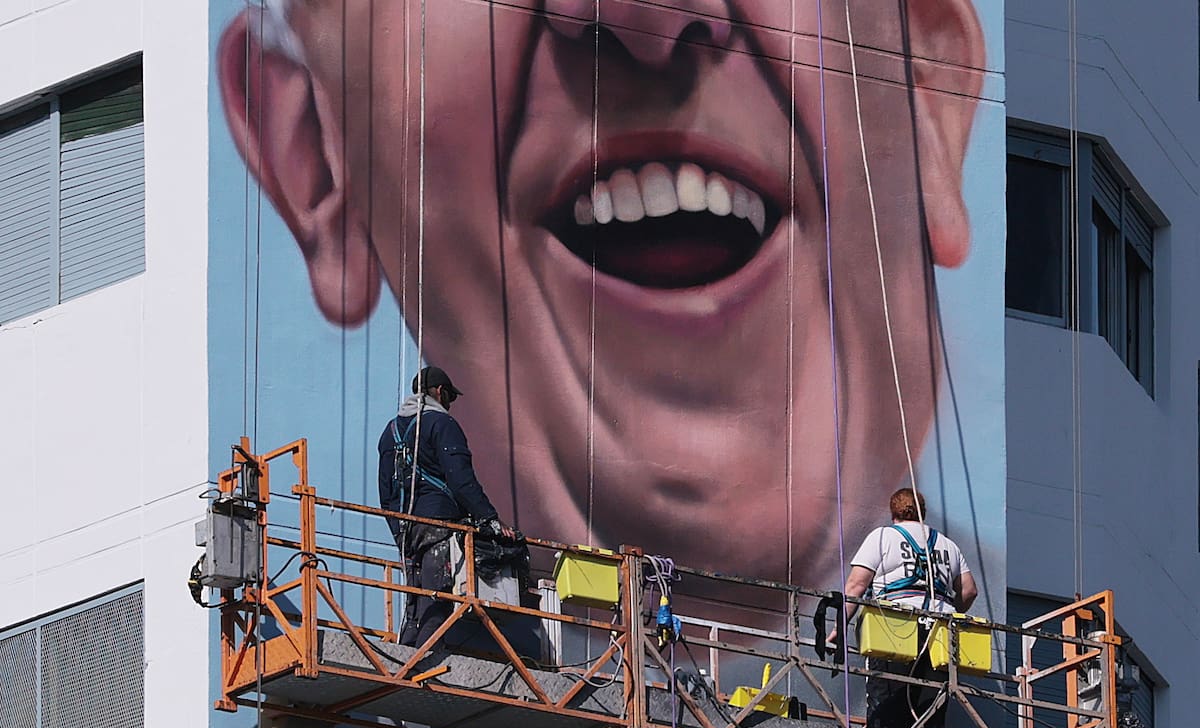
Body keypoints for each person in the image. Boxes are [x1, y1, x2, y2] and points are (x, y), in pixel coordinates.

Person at [218, 0, 988, 591]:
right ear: (314, 155)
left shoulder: (404, 439)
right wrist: (489, 528)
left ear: (929, 89)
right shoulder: (432, 439)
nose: (646, 19)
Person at [378, 365, 520, 647]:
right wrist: (489, 519)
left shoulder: (390, 432)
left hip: (406, 528)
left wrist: (398, 528)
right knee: (438, 596)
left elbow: (386, 491)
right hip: (438, 523)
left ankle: (405, 658)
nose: (450, 405)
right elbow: (460, 479)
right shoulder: (441, 424)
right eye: (450, 399)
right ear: (440, 392)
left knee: (415, 599)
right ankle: (424, 666)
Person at [831, 487, 978, 728]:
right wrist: (951, 609)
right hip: (940, 633)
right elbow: (969, 591)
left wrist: (839, 625)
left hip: (894, 627)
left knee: (887, 698)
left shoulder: (883, 537)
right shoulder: (947, 545)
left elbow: (856, 585)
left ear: (893, 513)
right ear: (923, 512)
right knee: (930, 701)